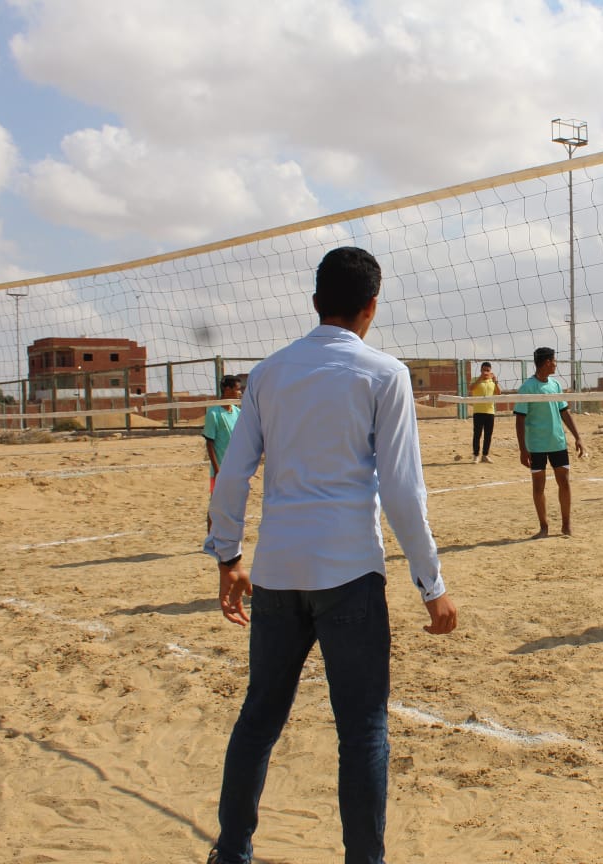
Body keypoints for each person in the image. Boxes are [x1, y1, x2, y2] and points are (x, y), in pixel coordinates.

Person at [203, 247, 458, 864]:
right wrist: (431, 584)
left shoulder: (267, 373)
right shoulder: (384, 374)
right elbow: (402, 491)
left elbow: (233, 474)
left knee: (259, 719)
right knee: (362, 731)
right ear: (372, 306)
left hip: (278, 572)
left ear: (316, 302)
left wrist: (228, 557)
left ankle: (231, 852)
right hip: (348, 574)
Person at [515, 347, 586, 538]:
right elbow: (519, 420)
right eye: (554, 361)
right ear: (547, 362)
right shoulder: (527, 388)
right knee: (539, 487)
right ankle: (544, 527)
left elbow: (564, 412)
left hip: (557, 443)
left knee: (564, 482)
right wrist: (523, 449)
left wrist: (578, 437)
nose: (555, 364)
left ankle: (566, 525)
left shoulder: (555, 385)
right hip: (536, 445)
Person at [204, 375, 243, 530]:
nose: (240, 393)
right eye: (238, 389)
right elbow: (209, 443)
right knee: (216, 504)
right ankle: (210, 537)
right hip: (220, 469)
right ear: (227, 389)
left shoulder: (237, 412)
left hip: (235, 469)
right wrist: (217, 469)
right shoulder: (213, 413)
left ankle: (229, 535)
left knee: (233, 505)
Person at [469, 361, 500, 462]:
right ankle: (476, 455)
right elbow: (471, 388)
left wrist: (495, 381)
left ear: (490, 371)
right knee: (477, 434)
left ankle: (485, 455)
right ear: (480, 370)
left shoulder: (492, 381)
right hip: (478, 411)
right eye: (484, 370)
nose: (486, 372)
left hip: (490, 412)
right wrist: (480, 378)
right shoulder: (475, 379)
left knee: (488, 435)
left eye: (488, 370)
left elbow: (499, 393)